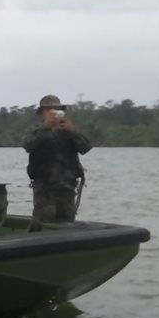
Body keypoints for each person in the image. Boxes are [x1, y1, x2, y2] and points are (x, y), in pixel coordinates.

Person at [23, 95, 92, 226]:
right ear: (42, 113)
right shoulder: (36, 130)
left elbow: (86, 147)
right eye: (49, 110)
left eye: (56, 109)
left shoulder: (68, 130)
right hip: (44, 188)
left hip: (67, 188)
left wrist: (73, 131)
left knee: (67, 224)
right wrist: (45, 127)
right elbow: (27, 145)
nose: (53, 112)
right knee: (43, 223)